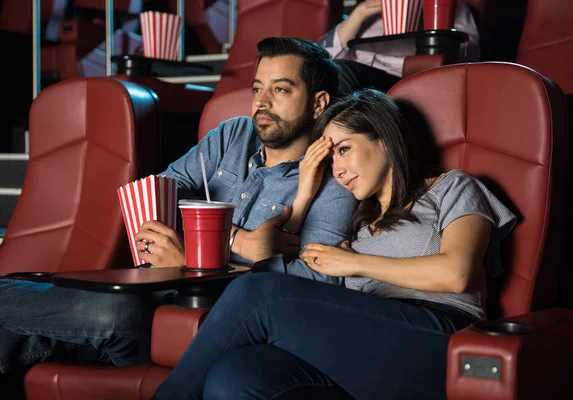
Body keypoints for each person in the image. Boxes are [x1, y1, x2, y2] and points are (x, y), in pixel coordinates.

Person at [0, 37, 357, 392]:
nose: (261, 103)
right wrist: (237, 241)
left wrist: (190, 259)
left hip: (208, 323)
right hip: (145, 295)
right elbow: (157, 193)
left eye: (280, 90)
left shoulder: (332, 177)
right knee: (23, 337)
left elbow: (319, 284)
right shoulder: (233, 134)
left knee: (113, 312)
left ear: (317, 103)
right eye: (257, 88)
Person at [151, 89, 516, 400]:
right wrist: (307, 189)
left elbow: (456, 273)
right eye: (330, 159)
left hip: (440, 337)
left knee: (255, 291)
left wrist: (354, 263)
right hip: (366, 348)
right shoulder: (357, 220)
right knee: (235, 376)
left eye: (344, 149)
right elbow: (290, 263)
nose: (337, 169)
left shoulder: (452, 187)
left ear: (385, 140)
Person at [318, 0, 480, 96]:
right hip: (351, 76)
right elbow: (319, 56)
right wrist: (359, 14)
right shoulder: (369, 11)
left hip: (401, 80)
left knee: (342, 72)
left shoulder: (448, 6)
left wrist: (426, 32)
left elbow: (467, 52)